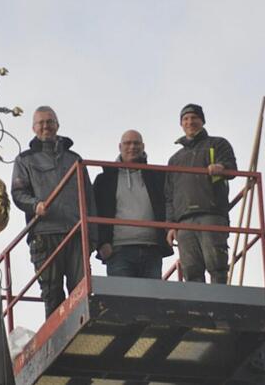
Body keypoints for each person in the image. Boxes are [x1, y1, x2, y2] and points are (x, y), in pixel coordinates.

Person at [11, 106, 98, 318]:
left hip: (75, 233)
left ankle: (82, 334)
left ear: (57, 125)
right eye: (41, 123)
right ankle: (58, 340)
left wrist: (94, 237)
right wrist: (35, 205)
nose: (45, 126)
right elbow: (18, 193)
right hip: (45, 233)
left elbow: (89, 199)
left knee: (81, 290)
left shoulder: (74, 159)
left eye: (49, 122)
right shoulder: (25, 160)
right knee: (52, 292)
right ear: (33, 128)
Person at [165, 104, 237, 284]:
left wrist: (221, 168)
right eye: (185, 119)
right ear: (181, 124)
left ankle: (221, 301)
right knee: (191, 269)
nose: (190, 122)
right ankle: (198, 309)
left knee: (216, 264)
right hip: (184, 221)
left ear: (202, 121)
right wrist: (171, 225)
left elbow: (232, 168)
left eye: (194, 118)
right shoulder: (175, 159)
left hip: (211, 214)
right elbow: (169, 195)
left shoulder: (217, 144)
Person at [93, 130, 173, 278]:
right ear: (119, 147)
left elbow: (170, 203)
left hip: (152, 249)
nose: (132, 147)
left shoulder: (158, 176)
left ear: (143, 146)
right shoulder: (105, 180)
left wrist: (170, 228)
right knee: (123, 300)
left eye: (136, 143)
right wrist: (101, 243)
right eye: (127, 143)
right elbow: (93, 212)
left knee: (152, 300)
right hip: (118, 251)